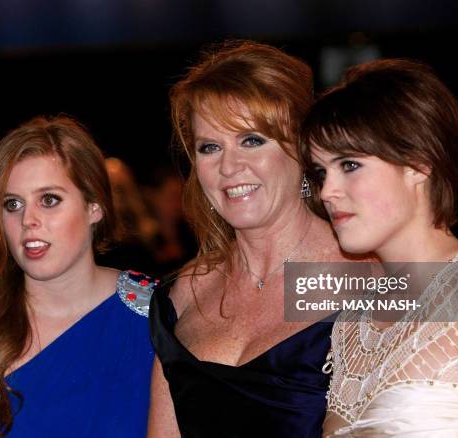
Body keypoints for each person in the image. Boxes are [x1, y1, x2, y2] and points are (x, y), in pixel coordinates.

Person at [300, 59, 458, 436]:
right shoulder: (352, 324)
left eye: (350, 165)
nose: (328, 191)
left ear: (418, 163)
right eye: (321, 172)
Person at [148, 41, 358, 438]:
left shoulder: (372, 277)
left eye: (252, 140)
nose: (229, 166)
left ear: (301, 148)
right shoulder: (178, 298)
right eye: (210, 147)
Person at [0, 116, 156, 437]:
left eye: (49, 200)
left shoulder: (153, 314)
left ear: (94, 206)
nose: (28, 220)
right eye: (12, 204)